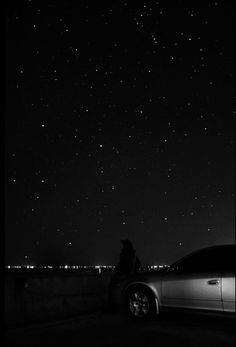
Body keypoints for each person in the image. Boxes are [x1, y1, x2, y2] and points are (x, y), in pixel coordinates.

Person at [107, 239, 141, 311]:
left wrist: (119, 271)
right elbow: (137, 265)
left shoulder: (126, 255)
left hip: (124, 276)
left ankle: (112, 306)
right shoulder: (133, 256)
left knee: (112, 289)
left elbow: (122, 265)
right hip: (130, 276)